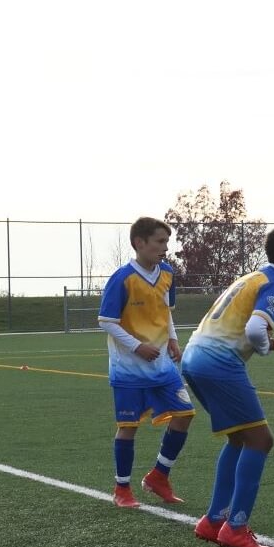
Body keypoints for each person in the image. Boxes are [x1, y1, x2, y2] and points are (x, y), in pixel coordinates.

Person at [182, 226, 274, 547]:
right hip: (218, 362)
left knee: (240, 438)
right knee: (261, 440)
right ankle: (236, 528)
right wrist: (267, 347)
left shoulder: (252, 277)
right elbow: (255, 328)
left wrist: (268, 344)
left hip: (193, 357)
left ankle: (214, 520)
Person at [97, 217, 195, 509]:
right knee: (128, 426)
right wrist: (137, 346)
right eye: (160, 242)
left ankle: (159, 476)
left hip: (162, 366)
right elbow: (106, 322)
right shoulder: (122, 278)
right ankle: (122, 489)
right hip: (128, 369)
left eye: (167, 242)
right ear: (140, 243)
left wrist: (173, 340)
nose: (165, 248)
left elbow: (166, 312)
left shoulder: (166, 273)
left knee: (185, 414)